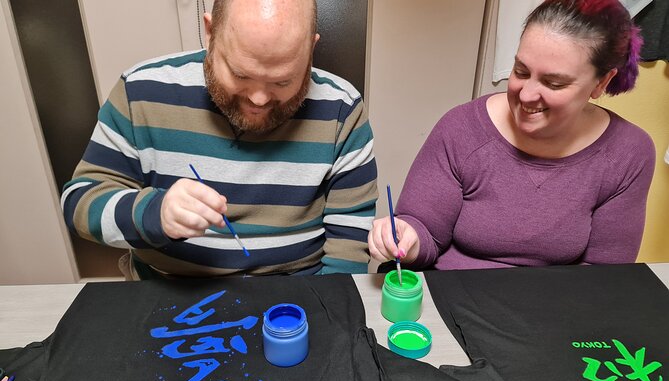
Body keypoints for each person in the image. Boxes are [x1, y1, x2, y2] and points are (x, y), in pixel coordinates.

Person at [61, 0, 378, 279]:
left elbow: (349, 240)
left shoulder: (342, 109)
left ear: (311, 48)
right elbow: (78, 203)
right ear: (210, 32)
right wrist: (152, 212)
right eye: (240, 75)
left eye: (282, 80)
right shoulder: (140, 92)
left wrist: (328, 313)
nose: (258, 99)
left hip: (296, 300)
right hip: (170, 294)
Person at [369, 0, 655, 270]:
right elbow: (426, 232)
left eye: (553, 83)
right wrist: (407, 237)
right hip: (451, 297)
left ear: (601, 82)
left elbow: (603, 277)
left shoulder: (628, 154)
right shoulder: (461, 128)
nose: (527, 95)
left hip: (554, 308)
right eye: (520, 71)